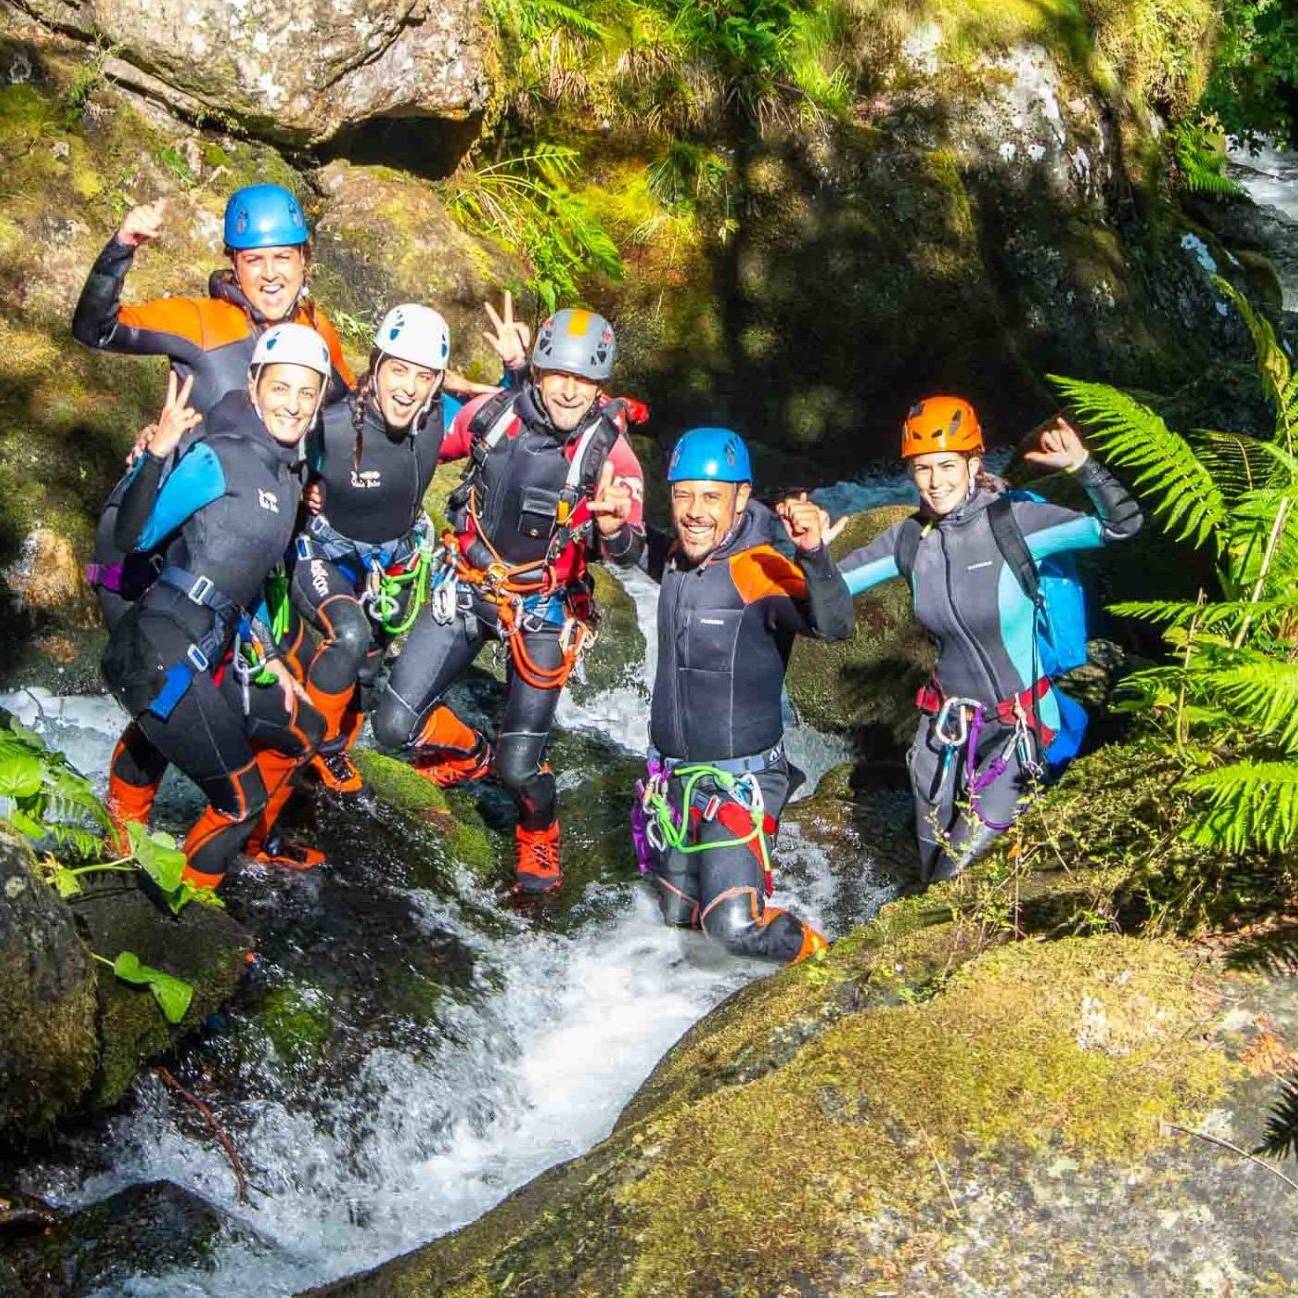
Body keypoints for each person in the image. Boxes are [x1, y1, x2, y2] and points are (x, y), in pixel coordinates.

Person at [75, 184, 354, 850]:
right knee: (164, 682)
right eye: (254, 259)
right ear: (233, 263)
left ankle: (238, 830)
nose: (271, 273)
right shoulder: (202, 321)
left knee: (208, 691)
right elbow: (96, 328)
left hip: (229, 541)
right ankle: (126, 825)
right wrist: (122, 248)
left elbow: (337, 409)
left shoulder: (317, 335)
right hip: (152, 536)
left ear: (306, 261)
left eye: (283, 256)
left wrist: (310, 484)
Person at [372, 304, 647, 894]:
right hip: (467, 586)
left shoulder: (611, 456)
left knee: (520, 766)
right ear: (539, 371)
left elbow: (629, 549)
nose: (570, 390)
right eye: (558, 374)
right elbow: (413, 446)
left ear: (600, 387)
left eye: (584, 380)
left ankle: (539, 830)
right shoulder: (492, 416)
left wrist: (616, 527)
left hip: (543, 609)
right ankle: (471, 754)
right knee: (393, 725)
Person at [838, 396, 1143, 884]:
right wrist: (810, 550)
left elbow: (1122, 525)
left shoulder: (1015, 524)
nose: (935, 482)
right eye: (922, 469)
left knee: (951, 880)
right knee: (929, 872)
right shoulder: (909, 541)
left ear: (973, 464)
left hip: (1019, 732)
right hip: (944, 735)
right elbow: (823, 592)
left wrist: (1084, 467)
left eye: (946, 466)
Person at [100, 324, 332, 891]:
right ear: (253, 387)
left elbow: (237, 580)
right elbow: (134, 536)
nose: (293, 405)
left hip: (205, 646)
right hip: (156, 649)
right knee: (240, 798)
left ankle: (245, 850)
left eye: (307, 393)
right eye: (281, 389)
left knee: (305, 729)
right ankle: (188, 910)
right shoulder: (216, 456)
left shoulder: (287, 473)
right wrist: (155, 455)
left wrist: (269, 652)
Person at [607, 427, 851, 964]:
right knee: (678, 924)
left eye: (711, 497)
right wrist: (613, 529)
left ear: (742, 499)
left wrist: (815, 555)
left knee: (734, 928)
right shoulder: (677, 559)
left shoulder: (760, 569)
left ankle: (833, 966)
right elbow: (640, 550)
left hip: (737, 783)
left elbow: (833, 626)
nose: (695, 510)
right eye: (683, 494)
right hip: (673, 783)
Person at [291, 303, 463, 793]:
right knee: (346, 635)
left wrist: (516, 371)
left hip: (396, 562)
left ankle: (334, 756)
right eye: (398, 370)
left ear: (437, 382)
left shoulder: (437, 418)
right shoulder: (331, 423)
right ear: (377, 364)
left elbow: (511, 425)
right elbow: (266, 444)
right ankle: (312, 748)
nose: (407, 388)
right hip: (327, 553)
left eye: (424, 376)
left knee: (367, 666)